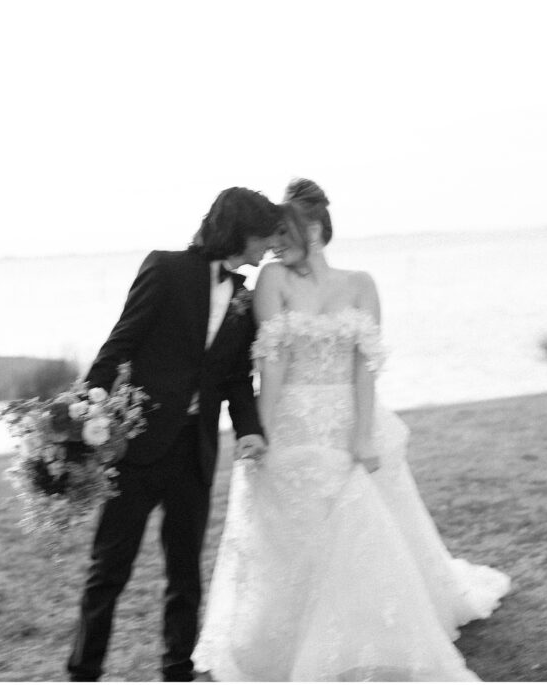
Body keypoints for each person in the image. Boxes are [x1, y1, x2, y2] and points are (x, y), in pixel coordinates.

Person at [192, 179, 511, 681]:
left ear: (315, 227)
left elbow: (367, 366)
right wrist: (262, 432)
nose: (274, 243)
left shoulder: (361, 283)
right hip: (292, 416)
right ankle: (291, 640)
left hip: (350, 415)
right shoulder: (272, 280)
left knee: (368, 526)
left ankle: (377, 629)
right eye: (271, 235)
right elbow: (271, 362)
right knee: (291, 524)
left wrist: (363, 434)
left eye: (284, 231)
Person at [66, 187, 283, 682]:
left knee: (185, 576)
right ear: (241, 231)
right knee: (109, 571)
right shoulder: (164, 268)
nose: (268, 245)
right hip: (136, 447)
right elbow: (122, 342)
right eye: (264, 234)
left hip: (195, 452)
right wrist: (79, 418)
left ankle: (177, 672)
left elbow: (233, 378)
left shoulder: (246, 298)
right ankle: (83, 671)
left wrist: (249, 430)